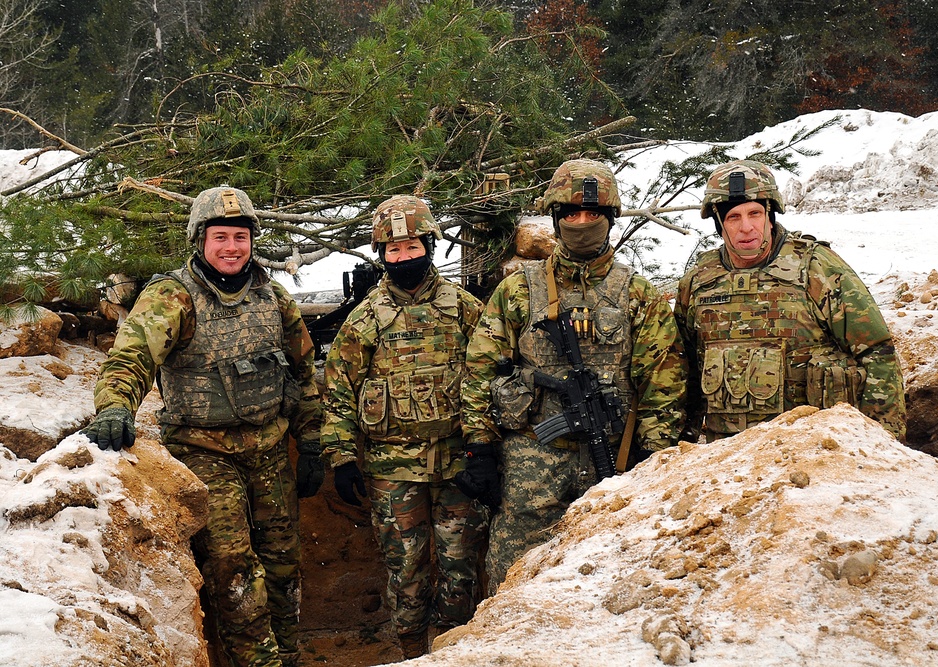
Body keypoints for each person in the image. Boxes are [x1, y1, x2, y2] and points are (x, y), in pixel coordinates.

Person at [83, 186, 324, 667]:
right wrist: (114, 409)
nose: (232, 247)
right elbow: (131, 360)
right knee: (234, 568)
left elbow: (303, 373)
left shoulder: (273, 298)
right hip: (202, 452)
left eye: (240, 236)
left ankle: (289, 655)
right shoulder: (172, 297)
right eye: (220, 237)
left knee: (281, 563)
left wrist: (313, 442)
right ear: (200, 240)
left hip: (272, 449)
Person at [460, 158, 688, 595]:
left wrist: (654, 459)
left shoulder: (637, 294)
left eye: (593, 215)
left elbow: (664, 385)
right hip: (530, 459)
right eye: (570, 214)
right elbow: (480, 370)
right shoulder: (519, 289)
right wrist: (479, 448)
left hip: (613, 461)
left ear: (610, 219)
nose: (581, 223)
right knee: (513, 581)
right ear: (556, 218)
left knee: (608, 578)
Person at [320, 195, 487, 660]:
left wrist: (486, 450)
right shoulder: (364, 321)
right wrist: (342, 459)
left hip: (458, 464)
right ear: (381, 255)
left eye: (412, 246)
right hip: (393, 470)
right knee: (406, 571)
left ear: (430, 245)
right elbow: (337, 393)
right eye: (393, 250)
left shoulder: (465, 310)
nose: (404, 257)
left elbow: (492, 376)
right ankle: (412, 651)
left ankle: (456, 649)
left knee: (460, 568)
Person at [675, 159, 906, 442]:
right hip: (730, 459)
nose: (746, 227)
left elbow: (876, 353)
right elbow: (683, 367)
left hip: (817, 450)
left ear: (769, 215)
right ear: (718, 223)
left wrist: (883, 442)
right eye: (734, 217)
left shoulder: (817, 268)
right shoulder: (699, 281)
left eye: (755, 214)